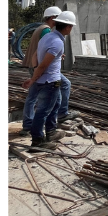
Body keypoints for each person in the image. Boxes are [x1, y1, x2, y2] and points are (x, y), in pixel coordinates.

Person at [24, 9, 75, 147]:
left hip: (46, 79)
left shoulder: (47, 37)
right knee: (43, 111)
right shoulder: (57, 42)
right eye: (71, 27)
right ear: (68, 27)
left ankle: (51, 132)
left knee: (56, 104)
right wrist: (33, 79)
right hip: (50, 81)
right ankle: (37, 141)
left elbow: (35, 56)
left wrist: (35, 74)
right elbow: (43, 65)